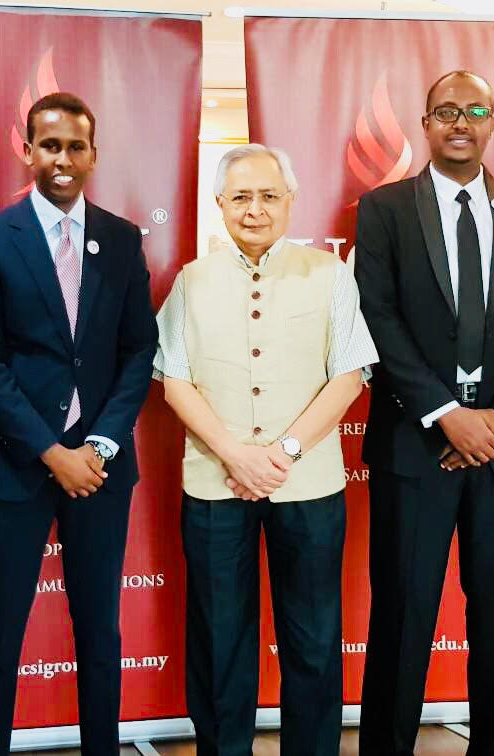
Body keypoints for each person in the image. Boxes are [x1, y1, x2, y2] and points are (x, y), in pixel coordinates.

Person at [354, 70, 494, 755]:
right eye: (446, 110)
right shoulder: (384, 208)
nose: (460, 122)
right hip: (415, 447)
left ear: (492, 123)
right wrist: (447, 413)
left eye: (475, 110)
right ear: (425, 124)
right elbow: (378, 316)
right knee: (403, 614)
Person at [153, 144, 377, 755]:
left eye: (269, 196)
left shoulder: (330, 274)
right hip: (214, 483)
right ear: (220, 204)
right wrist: (235, 454)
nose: (255, 209)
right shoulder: (192, 281)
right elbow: (174, 380)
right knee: (219, 637)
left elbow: (349, 375)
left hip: (308, 485)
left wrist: (284, 452)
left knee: (313, 636)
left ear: (290, 200)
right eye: (241, 197)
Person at [0, 92, 158, 756]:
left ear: (93, 155)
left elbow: (138, 350)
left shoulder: (121, 239)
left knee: (99, 632)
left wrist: (99, 444)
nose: (62, 158)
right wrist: (51, 451)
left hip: (100, 467)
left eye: (75, 146)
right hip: (13, 466)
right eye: (49, 145)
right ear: (27, 151)